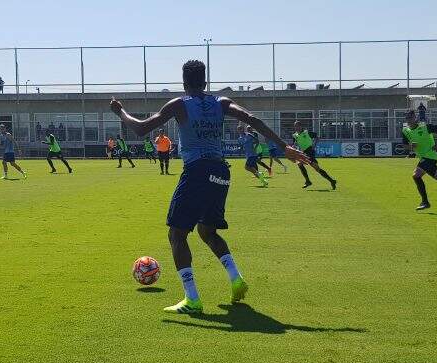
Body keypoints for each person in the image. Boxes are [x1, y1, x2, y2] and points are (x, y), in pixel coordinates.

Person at [109, 60, 309, 314]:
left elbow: (140, 128)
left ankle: (192, 299)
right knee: (207, 231)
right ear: (205, 82)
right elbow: (252, 118)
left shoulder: (179, 104)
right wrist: (284, 147)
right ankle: (236, 278)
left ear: (183, 82)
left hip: (197, 171)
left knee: (176, 235)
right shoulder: (221, 103)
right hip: (221, 172)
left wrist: (120, 112)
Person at [292, 121, 337, 189]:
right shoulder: (295, 135)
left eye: (298, 126)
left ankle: (308, 181)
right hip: (304, 151)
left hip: (309, 151)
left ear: (301, 126)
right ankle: (331, 181)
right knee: (314, 168)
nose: (296, 127)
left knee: (303, 164)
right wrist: (293, 148)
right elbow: (295, 143)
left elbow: (317, 137)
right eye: (295, 126)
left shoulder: (306, 132)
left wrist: (314, 145)